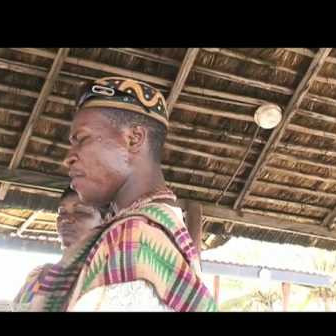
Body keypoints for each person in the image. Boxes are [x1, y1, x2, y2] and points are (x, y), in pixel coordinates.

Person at [34, 77, 217, 311]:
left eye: (82, 139)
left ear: (134, 139)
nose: (68, 157)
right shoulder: (160, 227)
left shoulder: (133, 238)